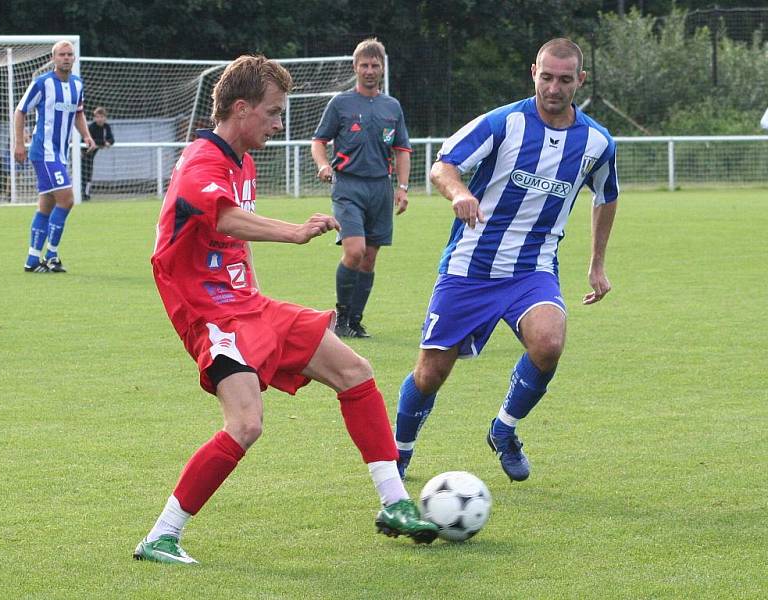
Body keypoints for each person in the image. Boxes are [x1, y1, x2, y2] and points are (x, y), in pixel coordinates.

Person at [133, 55, 437, 565]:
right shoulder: (201, 161)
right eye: (273, 113)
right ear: (240, 108)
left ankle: (395, 503)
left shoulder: (242, 161)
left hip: (249, 307)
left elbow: (225, 239)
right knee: (246, 425)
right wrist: (292, 231)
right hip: (211, 316)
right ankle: (161, 535)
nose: (279, 125)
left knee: (355, 371)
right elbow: (225, 217)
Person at [393, 38, 619, 483]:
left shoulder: (597, 142)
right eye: (547, 76)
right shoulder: (502, 122)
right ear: (533, 71)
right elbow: (443, 165)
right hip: (469, 269)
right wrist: (460, 192)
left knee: (549, 343)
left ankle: (504, 429)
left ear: (581, 80)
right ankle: (398, 453)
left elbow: (606, 196)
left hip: (532, 271)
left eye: (565, 79)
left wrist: (597, 262)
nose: (554, 87)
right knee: (430, 372)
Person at [311, 38, 411, 339]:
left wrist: (402, 187)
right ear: (355, 67)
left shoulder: (391, 106)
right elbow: (319, 141)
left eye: (374, 65)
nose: (369, 70)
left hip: (380, 187)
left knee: (369, 257)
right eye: (364, 65)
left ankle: (355, 321)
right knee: (354, 251)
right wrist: (323, 165)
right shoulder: (340, 103)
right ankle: (341, 315)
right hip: (348, 185)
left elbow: (402, 149)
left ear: (381, 68)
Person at [15, 40, 96, 273]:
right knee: (67, 200)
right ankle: (51, 255)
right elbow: (20, 111)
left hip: (60, 154)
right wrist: (19, 143)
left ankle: (32, 259)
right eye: (62, 54)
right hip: (44, 152)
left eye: (70, 54)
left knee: (47, 205)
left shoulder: (77, 84)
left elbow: (78, 114)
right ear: (53, 58)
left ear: (74, 58)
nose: (66, 58)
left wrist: (87, 136)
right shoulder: (42, 83)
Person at [81, 106, 115, 201]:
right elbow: (90, 141)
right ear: (94, 118)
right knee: (83, 175)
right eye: (97, 117)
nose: (99, 119)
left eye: (101, 117)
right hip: (84, 153)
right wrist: (104, 143)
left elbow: (111, 139)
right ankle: (82, 194)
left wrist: (108, 142)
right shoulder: (91, 127)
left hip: (92, 154)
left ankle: (86, 194)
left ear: (105, 117)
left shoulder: (106, 127)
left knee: (88, 175)